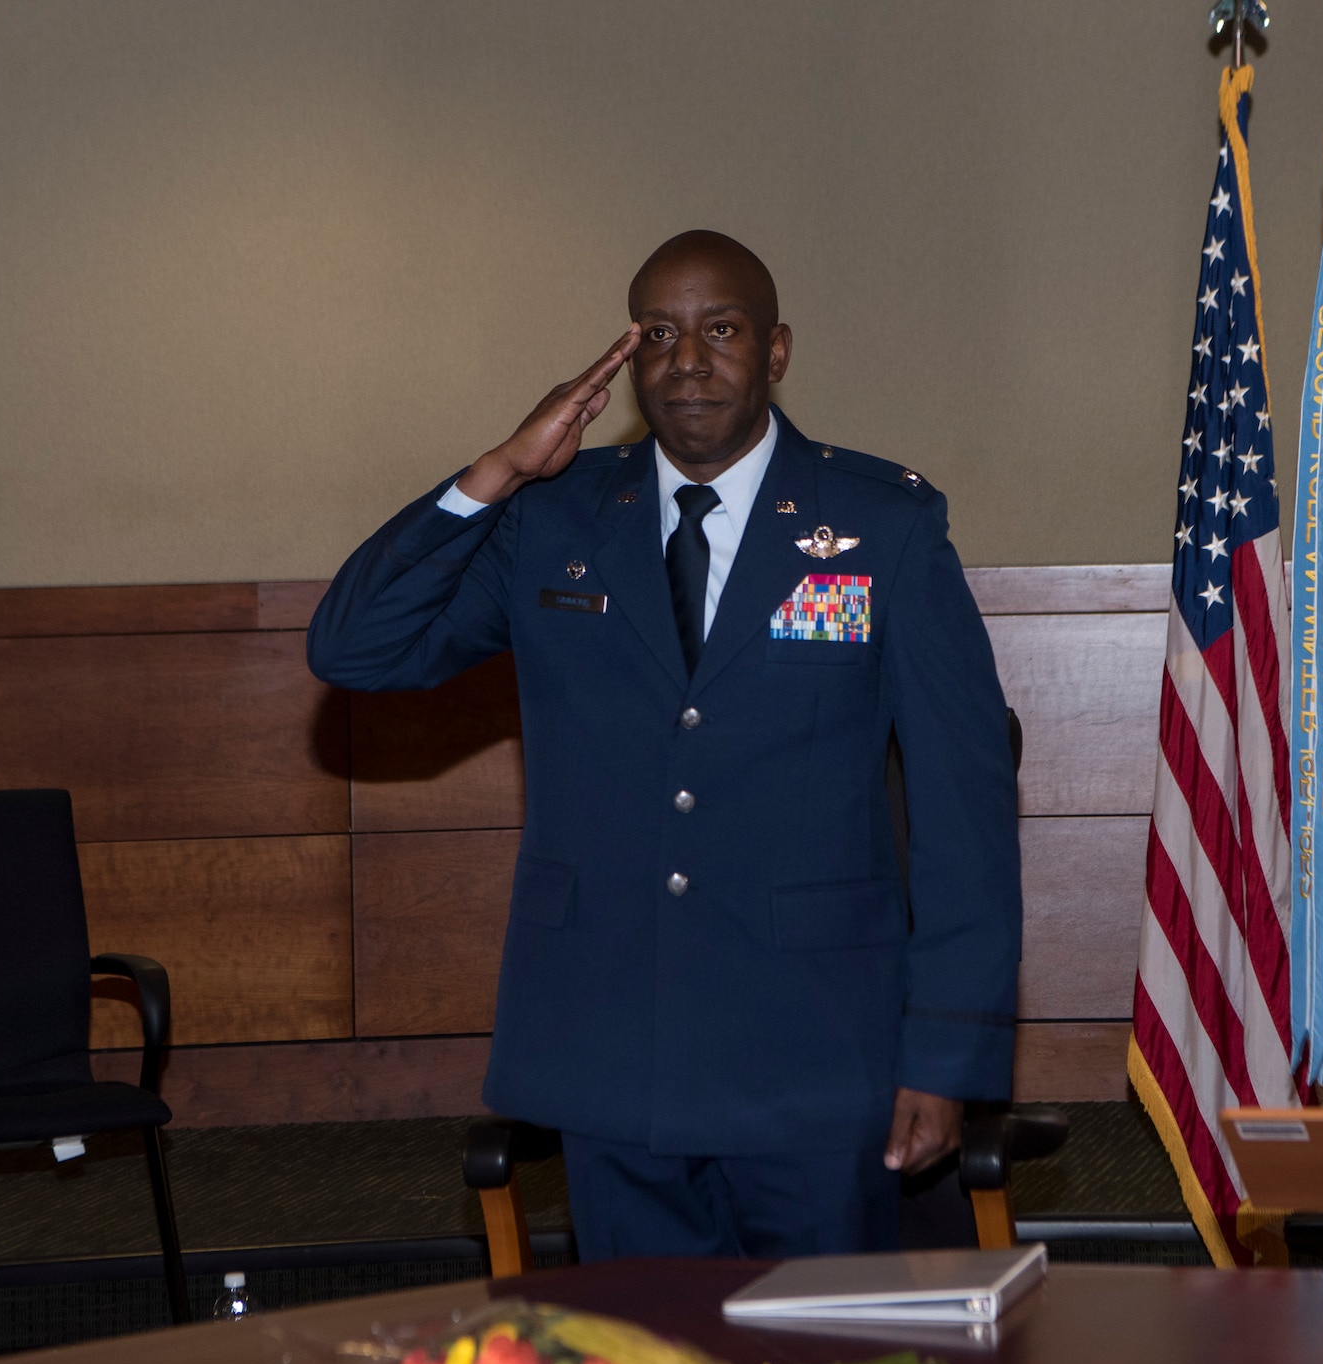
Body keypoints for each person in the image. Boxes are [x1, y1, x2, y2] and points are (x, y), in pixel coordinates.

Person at [308, 231, 1021, 1258]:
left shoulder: (879, 526)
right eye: (658, 334)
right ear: (628, 360)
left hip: (812, 1059)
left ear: (775, 352)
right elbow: (355, 648)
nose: (688, 358)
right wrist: (498, 471)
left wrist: (945, 1054)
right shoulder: (554, 518)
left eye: (720, 330)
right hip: (610, 1050)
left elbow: (964, 808)